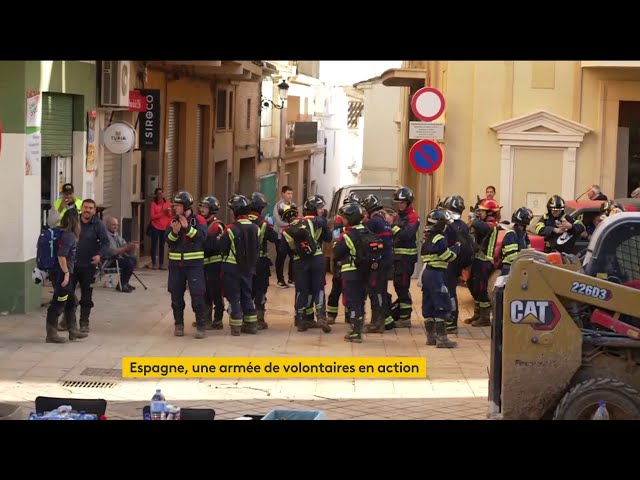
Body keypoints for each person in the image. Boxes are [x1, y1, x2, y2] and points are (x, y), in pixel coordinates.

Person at [58, 199, 112, 334]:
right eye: (85, 207)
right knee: (68, 293)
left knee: (86, 296)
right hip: (71, 265)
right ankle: (67, 320)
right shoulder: (74, 222)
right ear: (81, 208)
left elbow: (106, 243)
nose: (87, 210)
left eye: (91, 208)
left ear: (94, 211)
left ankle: (84, 323)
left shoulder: (98, 224)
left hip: (88, 266)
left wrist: (100, 255)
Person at [281, 195, 332, 333]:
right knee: (318, 288)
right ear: (315, 209)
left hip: (299, 261)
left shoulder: (293, 225)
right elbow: (329, 238)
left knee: (301, 290)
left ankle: (300, 320)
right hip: (316, 259)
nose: (322, 210)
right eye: (320, 207)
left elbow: (286, 247)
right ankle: (321, 317)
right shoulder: (319, 221)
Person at [166, 191, 208, 339]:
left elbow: (202, 238)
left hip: (194, 265)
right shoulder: (173, 221)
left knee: (197, 296)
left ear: (185, 207)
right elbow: (169, 241)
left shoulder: (199, 220)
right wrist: (175, 232)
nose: (174, 208)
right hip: (176, 265)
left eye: (177, 205)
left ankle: (201, 325)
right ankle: (179, 325)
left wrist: (188, 229)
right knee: (176, 296)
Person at [219, 194, 261, 336]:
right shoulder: (256, 228)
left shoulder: (230, 229)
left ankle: (236, 326)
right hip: (249, 268)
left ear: (236, 212)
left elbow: (223, 248)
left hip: (232, 268)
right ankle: (251, 325)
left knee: (235, 296)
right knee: (247, 295)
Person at [45, 208, 88, 343]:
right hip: (61, 276)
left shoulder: (62, 233)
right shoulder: (69, 235)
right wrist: (66, 273)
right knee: (59, 302)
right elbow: (62, 255)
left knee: (72, 301)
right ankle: (51, 334)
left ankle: (73, 330)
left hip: (58, 274)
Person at [421, 208, 459, 348]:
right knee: (441, 303)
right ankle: (442, 339)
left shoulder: (428, 237)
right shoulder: (440, 238)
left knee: (429, 303)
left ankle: (431, 337)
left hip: (427, 274)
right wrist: (455, 249)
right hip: (437, 275)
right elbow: (446, 256)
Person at [332, 202, 370, 342]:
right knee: (361, 301)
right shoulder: (367, 231)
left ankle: (355, 332)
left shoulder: (347, 235)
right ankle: (359, 328)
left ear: (350, 218)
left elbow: (337, 253)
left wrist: (336, 241)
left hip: (351, 272)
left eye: (344, 217)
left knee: (353, 302)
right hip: (365, 273)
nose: (342, 220)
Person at [327, 192, 362, 325]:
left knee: (351, 291)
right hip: (341, 260)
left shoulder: (360, 223)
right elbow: (337, 243)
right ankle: (331, 314)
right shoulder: (339, 220)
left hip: (353, 262)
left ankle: (349, 314)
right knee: (336, 287)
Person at [465, 199, 500, 327]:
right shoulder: (484, 222)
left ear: (490, 212)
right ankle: (477, 313)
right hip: (478, 259)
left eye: (482, 211)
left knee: (481, 288)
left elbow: (481, 227)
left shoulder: (492, 225)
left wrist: (473, 220)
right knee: (473, 285)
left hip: (485, 261)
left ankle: (485, 317)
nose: (480, 212)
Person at [362, 194, 394, 333]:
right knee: (381, 290)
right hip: (386, 261)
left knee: (375, 291)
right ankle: (386, 321)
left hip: (378, 262)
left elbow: (363, 237)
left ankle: (377, 322)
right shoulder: (384, 221)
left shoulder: (373, 222)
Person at [389, 186, 420, 327]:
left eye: (402, 203)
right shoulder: (398, 216)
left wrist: (392, 227)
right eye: (398, 203)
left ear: (408, 203)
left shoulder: (413, 217)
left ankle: (405, 318)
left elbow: (407, 235)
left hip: (406, 258)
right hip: (397, 257)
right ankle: (402, 312)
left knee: (402, 285)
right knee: (398, 285)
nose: (400, 205)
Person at [248, 192, 279, 330]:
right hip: (260, 263)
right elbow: (275, 238)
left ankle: (246, 319)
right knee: (260, 291)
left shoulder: (240, 221)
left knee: (247, 290)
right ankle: (259, 320)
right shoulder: (264, 224)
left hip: (244, 263)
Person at [198, 195, 225, 330]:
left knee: (215, 292)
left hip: (215, 265)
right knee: (204, 292)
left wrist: (201, 243)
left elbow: (213, 245)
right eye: (201, 206)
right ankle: (206, 318)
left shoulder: (216, 226)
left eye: (205, 207)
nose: (202, 209)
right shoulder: (200, 223)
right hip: (203, 264)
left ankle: (218, 320)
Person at [104, 216, 138, 292]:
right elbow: (112, 252)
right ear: (107, 225)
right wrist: (126, 248)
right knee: (128, 263)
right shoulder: (105, 236)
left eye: (117, 225)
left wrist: (131, 245)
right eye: (113, 225)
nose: (115, 227)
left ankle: (125, 282)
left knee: (133, 260)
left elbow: (123, 245)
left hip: (117, 258)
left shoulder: (116, 234)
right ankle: (122, 285)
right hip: (108, 260)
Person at [273, 185, 295, 288]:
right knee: (281, 257)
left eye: (291, 193)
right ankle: (280, 280)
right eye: (288, 193)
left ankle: (292, 278)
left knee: (293, 256)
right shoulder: (278, 206)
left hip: (291, 236)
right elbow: (279, 222)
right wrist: (291, 224)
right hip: (280, 236)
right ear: (283, 194)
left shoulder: (293, 206)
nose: (290, 196)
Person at [500, 207, 533, 275]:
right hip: (509, 267)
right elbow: (512, 256)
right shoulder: (511, 234)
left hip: (519, 266)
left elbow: (529, 251)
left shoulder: (524, 234)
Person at [149, 187, 172, 270]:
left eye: (161, 193)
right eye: (158, 193)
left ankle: (161, 263)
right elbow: (152, 216)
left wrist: (168, 214)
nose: (160, 195)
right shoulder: (153, 204)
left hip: (164, 227)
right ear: (156, 194)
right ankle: (154, 262)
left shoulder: (167, 203)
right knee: (154, 245)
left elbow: (170, 216)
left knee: (162, 245)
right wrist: (162, 213)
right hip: (155, 226)